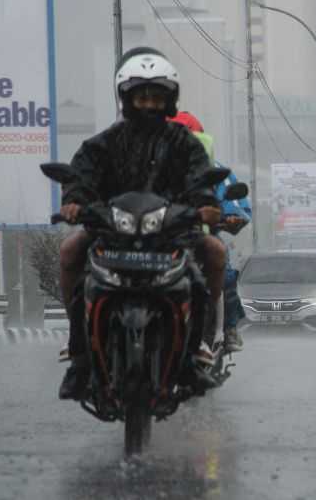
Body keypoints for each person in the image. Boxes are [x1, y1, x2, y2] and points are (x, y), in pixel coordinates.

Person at [57, 47, 226, 399]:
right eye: (141, 96)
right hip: (110, 230)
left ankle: (199, 349)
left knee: (214, 253)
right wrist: (74, 201)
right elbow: (80, 176)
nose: (148, 104)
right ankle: (78, 354)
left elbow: (201, 180)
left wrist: (207, 206)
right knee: (70, 251)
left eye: (156, 96)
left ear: (169, 99)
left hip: (172, 232)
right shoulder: (102, 144)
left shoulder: (186, 144)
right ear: (126, 97)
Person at [169, 111, 252, 353]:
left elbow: (234, 204)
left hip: (198, 235)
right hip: (156, 237)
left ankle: (227, 329)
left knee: (224, 272)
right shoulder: (148, 166)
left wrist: (232, 217)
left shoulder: (213, 170)